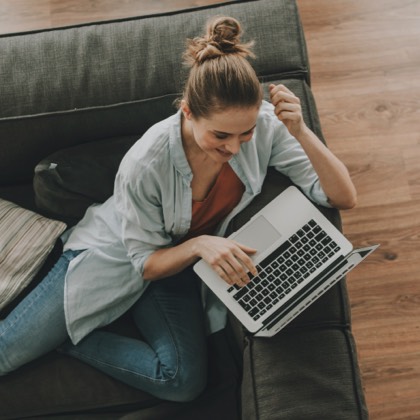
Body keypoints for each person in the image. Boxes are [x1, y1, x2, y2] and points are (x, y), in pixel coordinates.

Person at [0, 16, 356, 401]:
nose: (235, 148)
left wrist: (300, 130)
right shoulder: (145, 164)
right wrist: (201, 245)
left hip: (176, 274)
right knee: (7, 352)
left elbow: (341, 196)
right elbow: (144, 263)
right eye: (220, 135)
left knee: (182, 381)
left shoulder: (265, 126)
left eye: (245, 133)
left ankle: (67, 340)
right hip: (117, 257)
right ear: (188, 112)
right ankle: (62, 332)